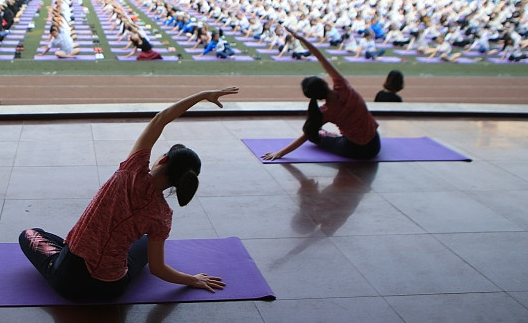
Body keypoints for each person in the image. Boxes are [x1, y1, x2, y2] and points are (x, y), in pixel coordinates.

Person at [19, 87, 238, 302]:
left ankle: (64, 254)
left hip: (67, 279)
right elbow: (158, 269)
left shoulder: (132, 170)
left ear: (162, 160)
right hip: (110, 288)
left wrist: (202, 96)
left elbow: (161, 119)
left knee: (30, 233)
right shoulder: (162, 215)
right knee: (144, 243)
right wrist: (192, 280)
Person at [263, 29, 380, 161]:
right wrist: (302, 39)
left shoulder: (325, 112)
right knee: (332, 135)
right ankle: (330, 135)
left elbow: (308, 135)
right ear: (325, 82)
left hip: (353, 149)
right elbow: (320, 57)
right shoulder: (343, 86)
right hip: (375, 144)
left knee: (317, 136)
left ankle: (327, 135)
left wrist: (280, 153)